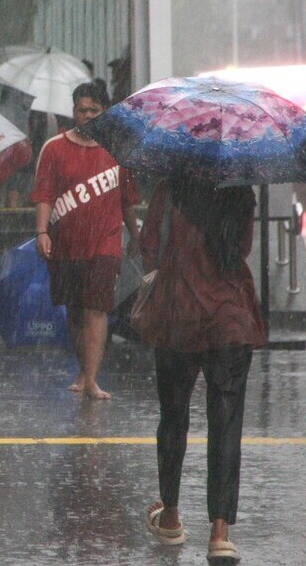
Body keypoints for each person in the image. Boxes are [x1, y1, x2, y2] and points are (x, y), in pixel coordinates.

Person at [139, 178, 263, 565]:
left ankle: (172, 515)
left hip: (179, 316)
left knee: (173, 418)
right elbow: (240, 248)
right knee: (226, 423)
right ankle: (220, 532)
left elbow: (148, 247)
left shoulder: (171, 186)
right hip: (230, 318)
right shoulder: (241, 189)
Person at [31, 79, 139, 400]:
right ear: (73, 111)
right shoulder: (54, 148)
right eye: (82, 110)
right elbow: (44, 195)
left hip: (105, 242)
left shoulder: (118, 150)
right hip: (66, 243)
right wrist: (41, 232)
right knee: (75, 310)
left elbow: (127, 199)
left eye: (94, 110)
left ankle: (91, 379)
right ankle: (84, 367)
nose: (87, 115)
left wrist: (135, 234)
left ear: (105, 112)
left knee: (96, 308)